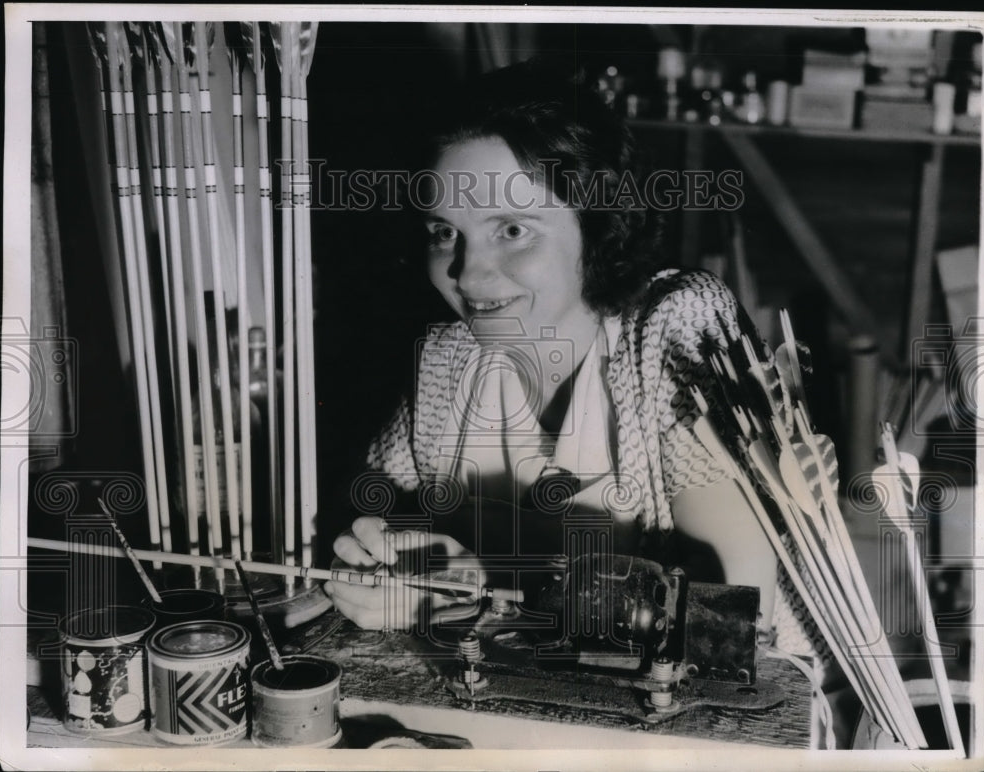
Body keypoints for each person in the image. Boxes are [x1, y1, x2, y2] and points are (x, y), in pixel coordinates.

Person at [326, 60, 796, 647]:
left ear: (598, 225)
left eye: (512, 230)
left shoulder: (677, 326)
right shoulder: (446, 360)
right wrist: (374, 562)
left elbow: (730, 618)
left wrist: (486, 591)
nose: (467, 275)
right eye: (444, 233)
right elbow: (365, 514)